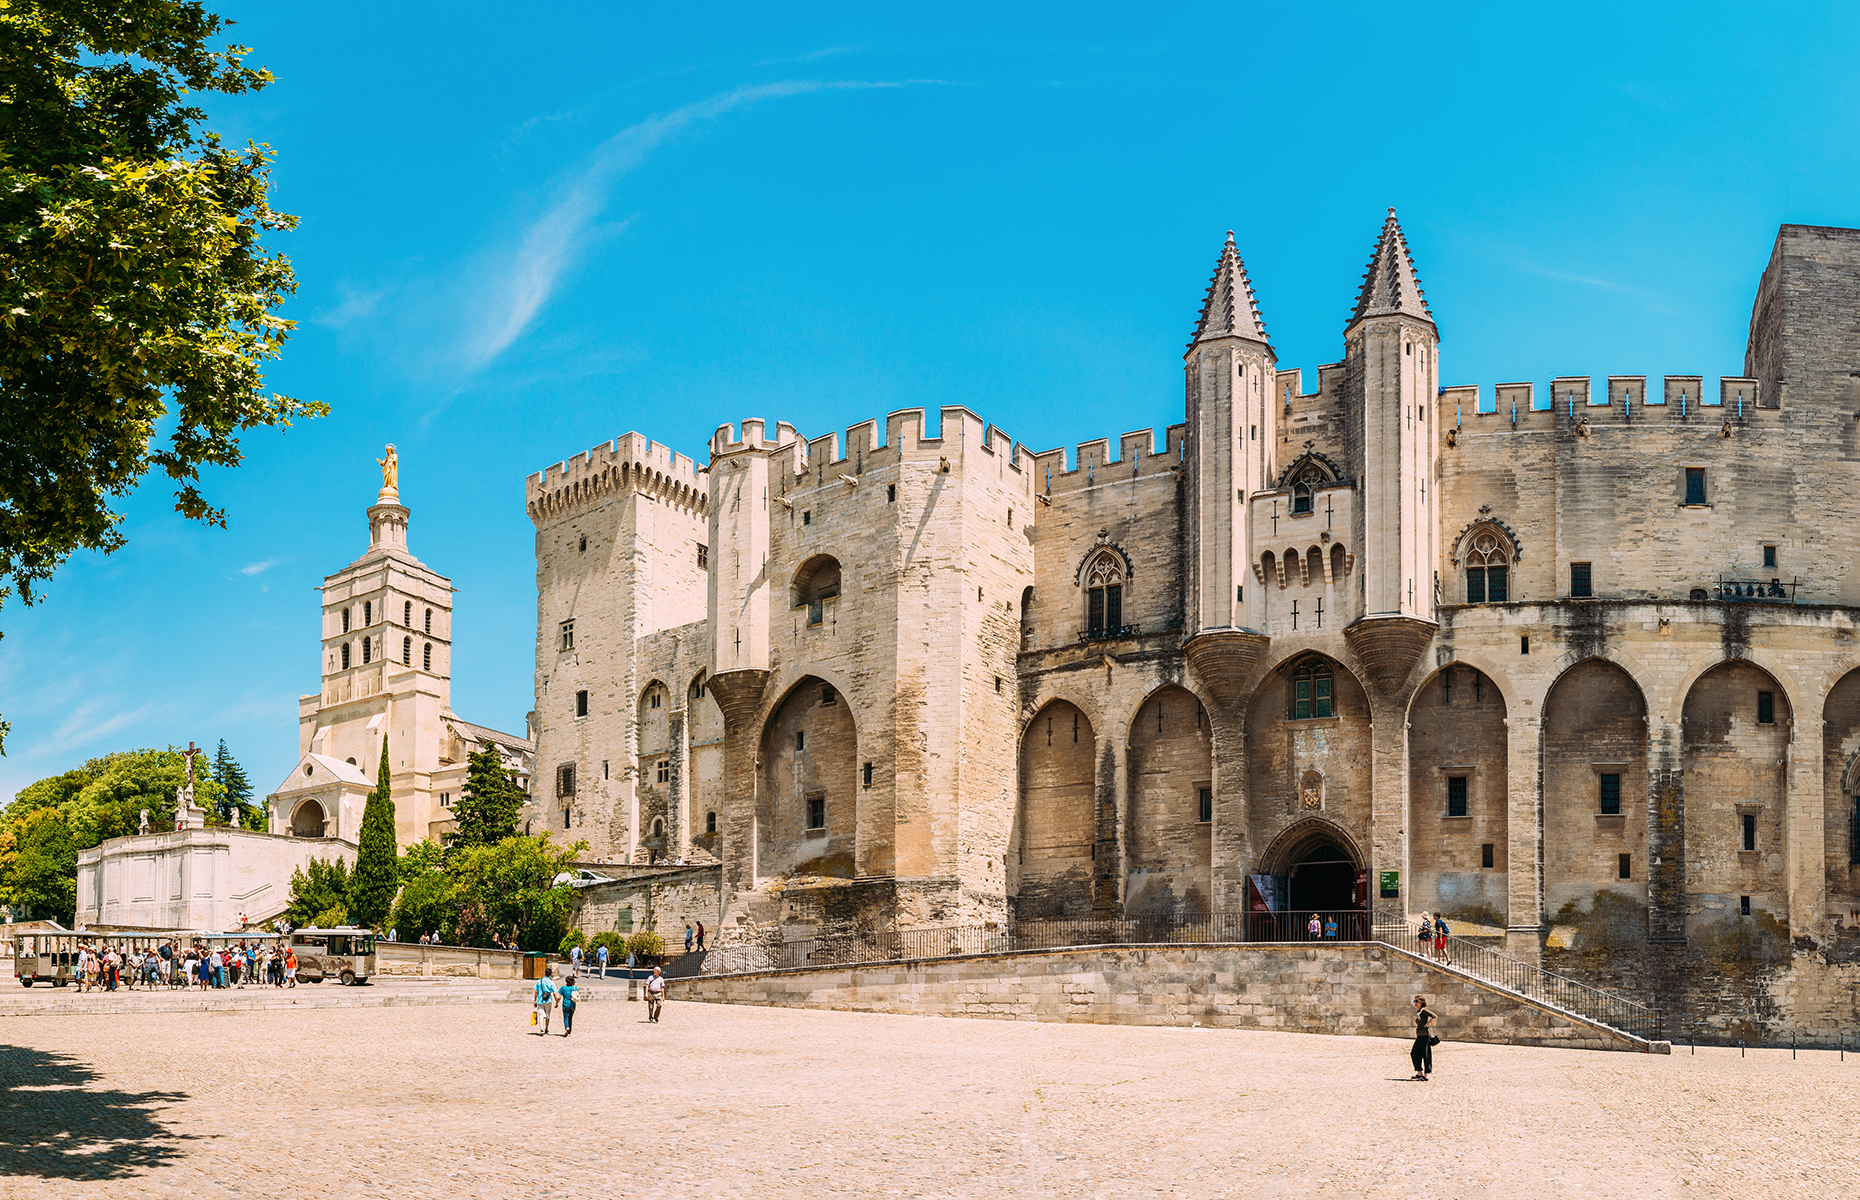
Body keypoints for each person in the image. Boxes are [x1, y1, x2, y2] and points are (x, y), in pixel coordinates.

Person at [1410, 995, 1438, 1080]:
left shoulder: (1424, 1010)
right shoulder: (1419, 1011)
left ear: (1421, 1002)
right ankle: (1419, 1072)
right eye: (1414, 1001)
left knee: (1425, 1054)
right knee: (1414, 1053)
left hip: (1424, 1035)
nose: (1415, 1003)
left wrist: (1428, 1023)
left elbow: (1434, 1016)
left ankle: (1426, 1074)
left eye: (1416, 1001)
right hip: (1419, 1035)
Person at [533, 966, 558, 1035]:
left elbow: (536, 992)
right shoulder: (551, 983)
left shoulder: (539, 981)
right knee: (547, 1015)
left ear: (544, 973)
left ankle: (541, 1029)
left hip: (540, 1000)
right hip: (548, 1000)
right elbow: (555, 993)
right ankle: (546, 1029)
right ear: (550, 975)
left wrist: (535, 1000)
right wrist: (557, 1002)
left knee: (541, 1015)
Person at [558, 973, 578, 1037]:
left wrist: (556, 1003)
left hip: (565, 1005)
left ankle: (567, 1027)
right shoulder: (575, 988)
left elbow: (559, 997)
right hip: (572, 1005)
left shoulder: (563, 988)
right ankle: (569, 1032)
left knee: (565, 1017)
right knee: (570, 1018)